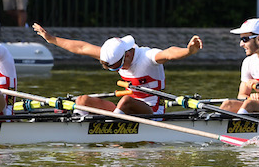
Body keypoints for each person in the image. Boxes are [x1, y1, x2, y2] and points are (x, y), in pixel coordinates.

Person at [32, 23, 202, 115]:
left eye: (118, 67)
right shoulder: (114, 55)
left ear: (127, 55)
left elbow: (170, 53)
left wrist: (189, 51)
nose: (118, 70)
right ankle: (82, 124)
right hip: (126, 110)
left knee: (126, 101)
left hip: (152, 112)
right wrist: (52, 39)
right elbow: (81, 48)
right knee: (82, 100)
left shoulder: (148, 56)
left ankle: (112, 128)